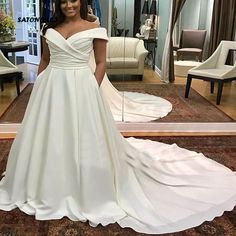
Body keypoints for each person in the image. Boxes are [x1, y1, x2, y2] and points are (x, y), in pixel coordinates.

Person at [0, 0, 236, 234]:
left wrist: (92, 87)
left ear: (81, 1)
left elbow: (101, 63)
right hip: (51, 88)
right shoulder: (49, 30)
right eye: (63, 2)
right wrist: (38, 87)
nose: (68, 6)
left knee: (85, 136)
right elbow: (45, 61)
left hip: (82, 86)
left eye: (73, 0)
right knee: (50, 135)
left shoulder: (95, 28)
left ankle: (86, 182)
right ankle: (47, 182)